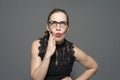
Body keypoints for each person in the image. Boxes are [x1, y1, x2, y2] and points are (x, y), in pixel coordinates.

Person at [31, 8, 98, 80]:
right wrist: (48, 54)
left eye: (63, 23)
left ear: (68, 28)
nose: (58, 28)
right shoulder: (37, 45)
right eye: (54, 23)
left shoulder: (72, 50)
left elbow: (93, 67)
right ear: (48, 27)